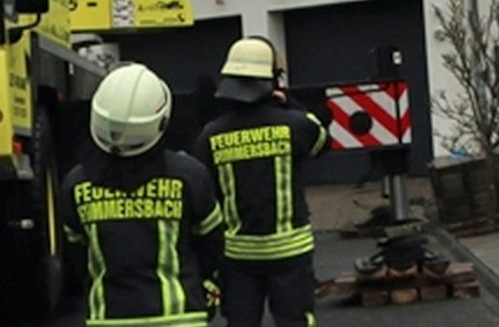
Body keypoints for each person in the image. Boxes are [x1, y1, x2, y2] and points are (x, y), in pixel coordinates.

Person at [63, 63, 225, 327]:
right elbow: (212, 245)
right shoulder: (190, 176)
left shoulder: (75, 185)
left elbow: (79, 256)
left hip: (109, 319)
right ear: (160, 119)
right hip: (180, 317)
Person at [194, 36, 328, 327]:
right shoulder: (295, 125)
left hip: (238, 257)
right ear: (271, 80)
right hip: (291, 253)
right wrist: (288, 101)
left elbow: (206, 195)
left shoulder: (210, 136)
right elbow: (320, 142)